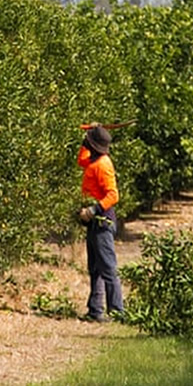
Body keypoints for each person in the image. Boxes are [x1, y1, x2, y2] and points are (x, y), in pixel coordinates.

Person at [77, 125, 124, 322]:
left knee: (108, 267)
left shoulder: (103, 165)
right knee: (95, 267)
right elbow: (81, 160)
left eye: (88, 140)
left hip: (102, 219)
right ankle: (95, 310)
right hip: (94, 222)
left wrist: (93, 210)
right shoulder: (92, 161)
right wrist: (86, 134)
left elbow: (113, 195)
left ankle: (117, 312)